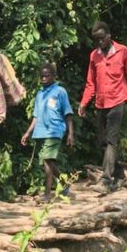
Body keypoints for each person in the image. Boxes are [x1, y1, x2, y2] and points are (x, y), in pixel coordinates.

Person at [78, 21, 127, 192]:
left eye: (101, 38)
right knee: (102, 142)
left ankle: (106, 180)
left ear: (108, 36)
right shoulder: (94, 56)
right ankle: (121, 176)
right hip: (101, 103)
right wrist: (84, 102)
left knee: (111, 140)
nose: (99, 42)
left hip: (117, 101)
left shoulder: (122, 51)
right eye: (96, 40)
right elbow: (90, 83)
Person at [21, 63, 74, 202]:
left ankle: (47, 194)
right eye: (42, 76)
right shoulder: (40, 94)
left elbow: (68, 113)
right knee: (47, 161)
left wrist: (70, 133)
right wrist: (27, 133)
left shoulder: (60, 91)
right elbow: (36, 116)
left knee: (47, 161)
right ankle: (64, 183)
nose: (44, 78)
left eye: (47, 76)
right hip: (40, 132)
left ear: (53, 76)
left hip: (55, 130)